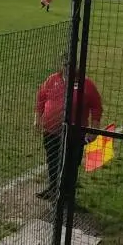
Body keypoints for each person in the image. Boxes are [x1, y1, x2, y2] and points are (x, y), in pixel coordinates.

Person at [35, 53, 103, 199]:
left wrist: (94, 129)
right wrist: (37, 119)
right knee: (53, 161)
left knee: (71, 164)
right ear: (62, 65)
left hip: (74, 133)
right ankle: (53, 189)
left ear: (76, 66)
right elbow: (41, 97)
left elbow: (96, 107)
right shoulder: (53, 79)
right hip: (51, 131)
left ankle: (67, 195)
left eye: (71, 65)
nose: (67, 68)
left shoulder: (86, 84)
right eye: (65, 64)